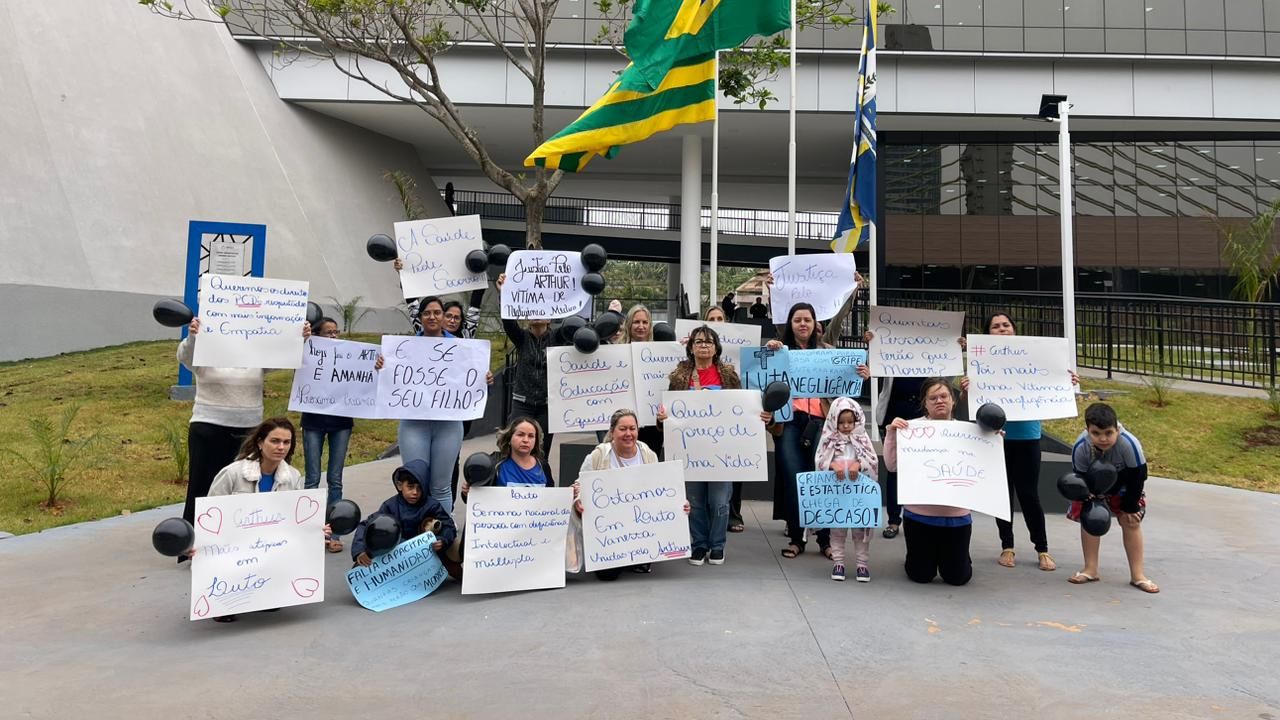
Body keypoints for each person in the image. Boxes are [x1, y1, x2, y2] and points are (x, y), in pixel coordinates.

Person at [175, 316, 309, 563]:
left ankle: (241, 543)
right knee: (203, 486)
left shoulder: (256, 354)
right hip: (208, 425)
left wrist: (297, 337)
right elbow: (185, 356)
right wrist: (194, 335)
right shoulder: (204, 350)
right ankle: (193, 545)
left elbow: (284, 355)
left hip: (249, 428)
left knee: (246, 486)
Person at [958, 312, 1079, 571]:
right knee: (1003, 495)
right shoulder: (981, 362)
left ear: (1014, 329)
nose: (1001, 329)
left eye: (1006, 325)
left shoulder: (1033, 355)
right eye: (995, 326)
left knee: (1028, 494)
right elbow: (974, 405)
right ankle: (1007, 546)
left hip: (1027, 435)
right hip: (995, 436)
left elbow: (1051, 382)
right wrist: (969, 388)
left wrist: (1066, 383)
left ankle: (1042, 548)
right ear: (988, 333)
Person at [656, 326, 769, 566]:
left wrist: (759, 418)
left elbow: (742, 411)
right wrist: (662, 419)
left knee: (719, 502)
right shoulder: (679, 376)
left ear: (716, 347)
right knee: (695, 503)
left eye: (708, 342)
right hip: (690, 452)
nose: (703, 346)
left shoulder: (728, 375)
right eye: (698, 342)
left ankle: (717, 545)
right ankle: (698, 546)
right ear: (691, 347)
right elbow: (670, 413)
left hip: (722, 453)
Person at [203, 417, 328, 622]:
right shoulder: (232, 473)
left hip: (269, 542)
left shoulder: (293, 476)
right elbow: (210, 513)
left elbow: (296, 519)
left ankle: (266, 593)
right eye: (275, 441)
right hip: (234, 542)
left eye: (286, 442)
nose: (281, 447)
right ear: (260, 443)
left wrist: (315, 530)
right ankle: (224, 600)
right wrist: (202, 545)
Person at [374, 295, 491, 514]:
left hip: (448, 426)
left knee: (441, 487)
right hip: (413, 425)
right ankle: (417, 536)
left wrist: (485, 381)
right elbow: (389, 381)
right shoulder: (402, 349)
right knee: (415, 484)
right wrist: (382, 366)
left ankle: (442, 534)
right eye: (427, 313)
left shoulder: (462, 349)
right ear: (420, 317)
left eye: (438, 312)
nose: (432, 316)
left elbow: (473, 385)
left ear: (444, 316)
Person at [570, 409, 688, 581]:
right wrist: (578, 501)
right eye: (623, 429)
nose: (628, 434)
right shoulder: (598, 455)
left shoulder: (648, 455)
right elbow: (580, 485)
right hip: (608, 530)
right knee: (607, 575)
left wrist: (679, 504)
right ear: (612, 432)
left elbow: (662, 490)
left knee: (643, 557)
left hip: (641, 524)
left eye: (632, 429)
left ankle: (635, 554)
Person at [882, 378, 974, 586]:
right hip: (920, 516)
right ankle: (917, 556)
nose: (939, 401)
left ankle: (960, 556)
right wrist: (891, 434)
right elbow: (892, 466)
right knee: (920, 575)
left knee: (958, 578)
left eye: (944, 396)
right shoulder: (911, 429)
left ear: (953, 401)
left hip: (956, 517)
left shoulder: (969, 433)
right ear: (924, 403)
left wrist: (994, 441)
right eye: (933, 398)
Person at [1066, 403, 1158, 594]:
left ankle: (1138, 575)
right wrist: (1091, 499)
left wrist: (1130, 506)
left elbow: (1138, 475)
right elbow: (1080, 479)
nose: (1103, 438)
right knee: (1090, 519)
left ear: (1117, 429)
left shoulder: (1129, 444)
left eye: (1108, 433)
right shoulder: (1080, 447)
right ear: (1087, 431)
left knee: (1131, 521)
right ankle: (1090, 569)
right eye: (1096, 433)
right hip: (1094, 484)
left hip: (1126, 483)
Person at [765, 302, 832, 559]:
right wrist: (771, 353)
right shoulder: (780, 352)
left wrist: (860, 374)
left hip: (821, 422)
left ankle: (825, 540)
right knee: (794, 481)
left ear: (816, 324)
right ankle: (796, 538)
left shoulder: (828, 352)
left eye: (807, 319)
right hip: (789, 422)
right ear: (790, 325)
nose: (803, 324)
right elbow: (764, 379)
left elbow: (844, 384)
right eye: (797, 320)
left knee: (820, 480)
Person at [351, 459, 460, 578]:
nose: (415, 492)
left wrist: (442, 540)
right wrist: (360, 551)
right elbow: (366, 526)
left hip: (428, 552)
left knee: (455, 548)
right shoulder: (390, 506)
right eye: (410, 487)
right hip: (396, 553)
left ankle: (453, 572)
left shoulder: (432, 505)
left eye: (419, 488)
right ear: (399, 485)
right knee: (362, 568)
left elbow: (448, 525)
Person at [496, 273, 556, 482]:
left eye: (543, 310)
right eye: (534, 310)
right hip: (523, 403)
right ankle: (512, 485)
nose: (538, 314)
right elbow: (508, 322)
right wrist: (504, 294)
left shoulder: (558, 337)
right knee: (513, 447)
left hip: (548, 406)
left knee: (540, 451)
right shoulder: (521, 338)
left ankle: (542, 491)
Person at [300, 317, 353, 553]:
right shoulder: (308, 355)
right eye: (328, 333)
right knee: (312, 478)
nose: (333, 337)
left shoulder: (348, 355)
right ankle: (311, 531)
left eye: (336, 332)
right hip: (313, 421)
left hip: (341, 422)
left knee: (335, 479)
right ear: (317, 335)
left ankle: (335, 531)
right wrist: (304, 341)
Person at [814, 397, 879, 582]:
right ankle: (838, 562)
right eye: (841, 422)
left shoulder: (862, 438)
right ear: (833, 420)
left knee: (860, 530)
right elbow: (820, 460)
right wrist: (832, 465)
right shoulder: (828, 439)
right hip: (837, 494)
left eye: (850, 422)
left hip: (858, 494)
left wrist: (859, 464)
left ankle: (862, 565)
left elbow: (873, 461)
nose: (846, 426)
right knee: (837, 529)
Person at [460, 417, 555, 499]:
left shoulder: (543, 466)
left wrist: (567, 495)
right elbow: (477, 499)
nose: (526, 440)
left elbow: (550, 500)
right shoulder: (494, 463)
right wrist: (467, 492)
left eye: (531, 436)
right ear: (509, 438)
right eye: (520, 434)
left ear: (536, 441)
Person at [621, 304, 664, 459]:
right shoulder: (616, 352)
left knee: (650, 461)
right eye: (636, 322)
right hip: (625, 421)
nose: (641, 326)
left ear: (650, 326)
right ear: (629, 324)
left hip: (651, 422)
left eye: (645, 322)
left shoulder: (661, 353)